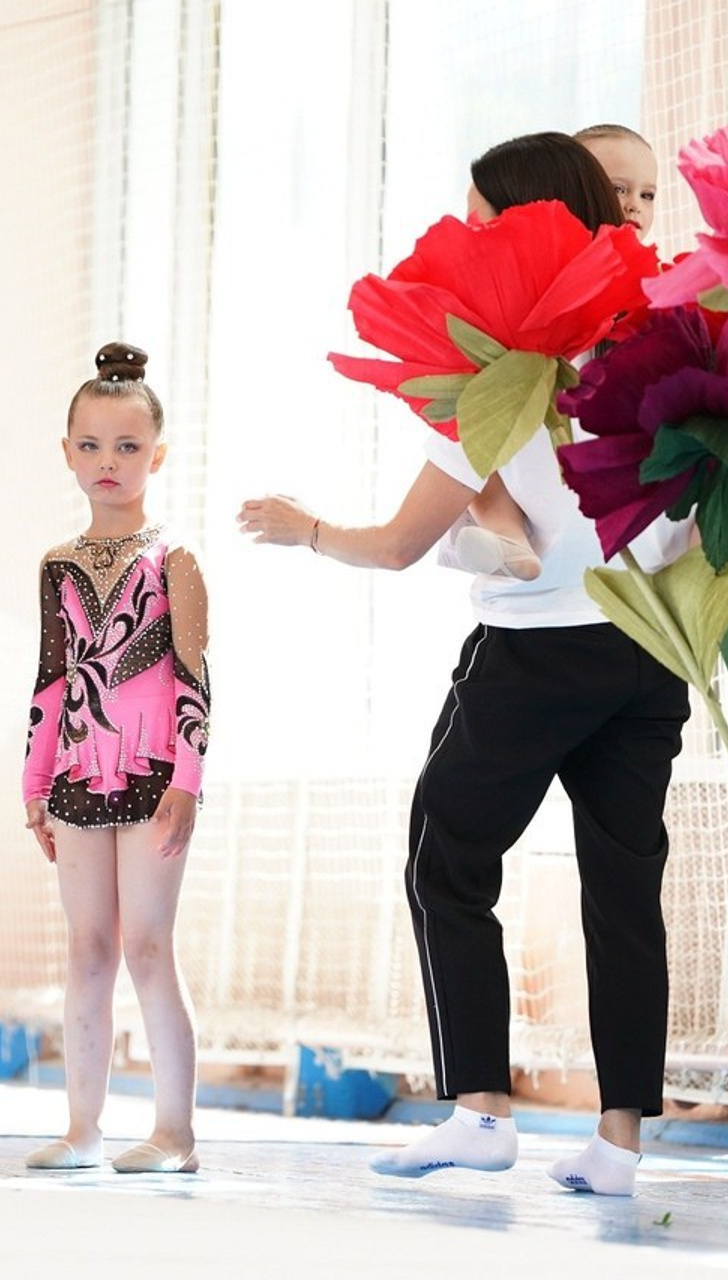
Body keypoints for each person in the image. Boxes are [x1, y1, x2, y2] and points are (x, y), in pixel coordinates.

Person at [238, 132, 693, 1197]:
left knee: (445, 863)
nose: (469, 235)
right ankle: (619, 1142)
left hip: (530, 661)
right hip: (647, 651)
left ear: (528, 224)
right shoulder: (664, 352)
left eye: (483, 217)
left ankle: (480, 1109)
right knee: (623, 890)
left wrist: (307, 528)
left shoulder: (497, 378)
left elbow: (399, 545)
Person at [22, 342, 211, 1175]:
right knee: (88, 946)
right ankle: (83, 1129)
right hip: (75, 777)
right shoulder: (56, 565)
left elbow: (194, 678)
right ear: (67, 452)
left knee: (148, 946)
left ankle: (176, 1133)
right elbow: (50, 680)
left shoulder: (175, 561)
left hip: (154, 777)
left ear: (156, 457)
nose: (108, 461)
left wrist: (188, 781)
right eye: (92, 445)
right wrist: (35, 784)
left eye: (128, 446)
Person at [444, 125, 660, 582]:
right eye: (615, 189)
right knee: (465, 427)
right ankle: (506, 534)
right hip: (550, 550)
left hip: (626, 552)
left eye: (648, 194)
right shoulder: (529, 291)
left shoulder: (656, 295)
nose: (633, 205)